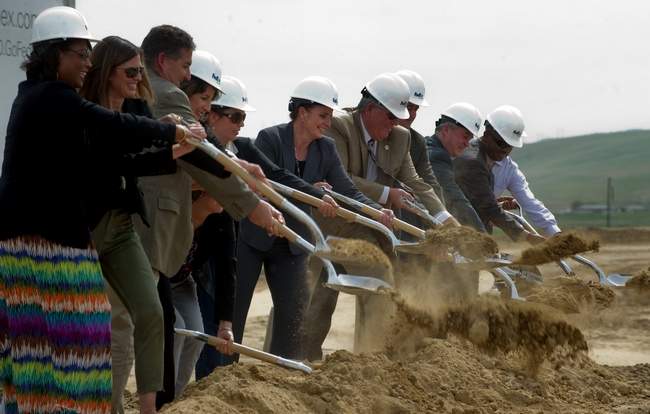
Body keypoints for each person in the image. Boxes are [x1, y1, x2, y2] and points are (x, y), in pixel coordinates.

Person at [0, 7, 194, 413]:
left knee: (38, 344)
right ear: (56, 54)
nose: (88, 63)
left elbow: (110, 156)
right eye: (80, 54)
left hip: (36, 241)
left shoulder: (37, 99)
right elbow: (114, 128)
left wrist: (169, 148)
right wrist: (170, 130)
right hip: (50, 244)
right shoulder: (53, 98)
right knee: (81, 340)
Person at [133, 26, 284, 408]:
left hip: (161, 244)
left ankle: (160, 404)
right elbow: (203, 159)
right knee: (137, 331)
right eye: (185, 67)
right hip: (146, 230)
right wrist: (253, 204)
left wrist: (239, 165)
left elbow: (211, 151)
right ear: (165, 61)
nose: (186, 75)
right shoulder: (165, 94)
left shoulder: (159, 93)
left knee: (164, 326)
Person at [80, 35, 194, 414]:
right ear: (106, 71)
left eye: (140, 72)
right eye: (130, 71)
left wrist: (173, 149)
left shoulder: (134, 109)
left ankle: (146, 409)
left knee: (151, 312)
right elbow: (114, 157)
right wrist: (166, 139)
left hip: (122, 225)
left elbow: (134, 157)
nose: (136, 78)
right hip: (84, 230)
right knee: (98, 327)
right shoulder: (84, 112)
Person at [243, 76, 395, 359]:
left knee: (295, 313)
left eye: (330, 116)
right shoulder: (270, 138)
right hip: (260, 235)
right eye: (323, 115)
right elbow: (267, 186)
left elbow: (346, 189)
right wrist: (310, 192)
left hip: (296, 241)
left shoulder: (326, 147)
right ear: (302, 112)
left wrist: (375, 211)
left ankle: (285, 369)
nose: (328, 123)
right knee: (237, 311)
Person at [196, 75, 340, 372]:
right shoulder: (201, 150)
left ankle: (280, 380)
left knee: (293, 318)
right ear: (211, 114)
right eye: (234, 116)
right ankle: (215, 384)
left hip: (259, 240)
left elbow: (274, 176)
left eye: (243, 117)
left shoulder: (245, 147)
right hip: (222, 245)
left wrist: (316, 196)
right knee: (223, 321)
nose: (241, 124)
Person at [326, 72, 458, 227]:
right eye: (392, 116)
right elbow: (339, 179)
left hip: (381, 225)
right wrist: (387, 194)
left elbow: (415, 182)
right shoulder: (339, 127)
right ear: (369, 109)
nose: (396, 123)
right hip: (340, 221)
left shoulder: (400, 137)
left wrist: (445, 219)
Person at [453, 105, 548, 243]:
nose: (505, 150)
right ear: (486, 135)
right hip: (459, 237)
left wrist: (497, 204)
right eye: (501, 143)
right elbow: (488, 208)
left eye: (510, 145)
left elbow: (473, 200)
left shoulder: (487, 159)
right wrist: (526, 236)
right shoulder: (473, 161)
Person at [426, 102, 486, 230]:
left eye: (470, 139)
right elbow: (456, 199)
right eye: (465, 136)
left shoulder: (429, 147)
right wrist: (483, 237)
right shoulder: (437, 156)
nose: (467, 144)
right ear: (446, 130)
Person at [394, 70, 443, 200]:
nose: (413, 115)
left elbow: (429, 185)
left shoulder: (417, 142)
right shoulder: (357, 126)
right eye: (408, 107)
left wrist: (446, 217)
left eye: (416, 109)